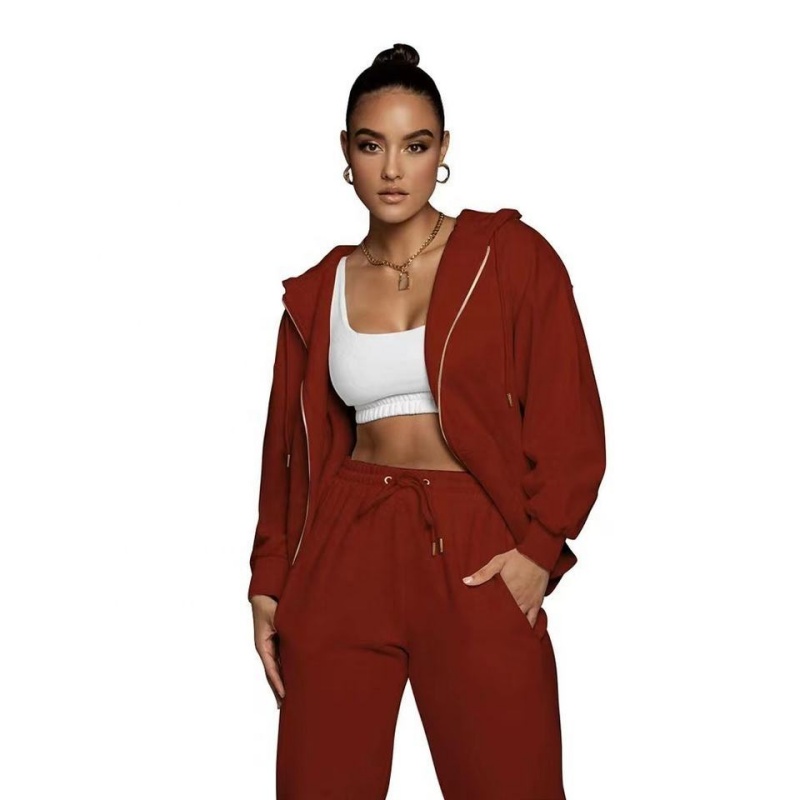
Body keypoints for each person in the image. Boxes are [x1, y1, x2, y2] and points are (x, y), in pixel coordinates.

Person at [247, 42, 606, 800]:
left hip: (474, 547)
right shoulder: (315, 291)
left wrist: (538, 550)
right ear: (345, 152)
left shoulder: (509, 256)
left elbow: (569, 417)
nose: (392, 169)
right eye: (371, 145)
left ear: (443, 151)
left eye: (414, 146)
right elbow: (286, 455)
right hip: (343, 548)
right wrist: (268, 581)